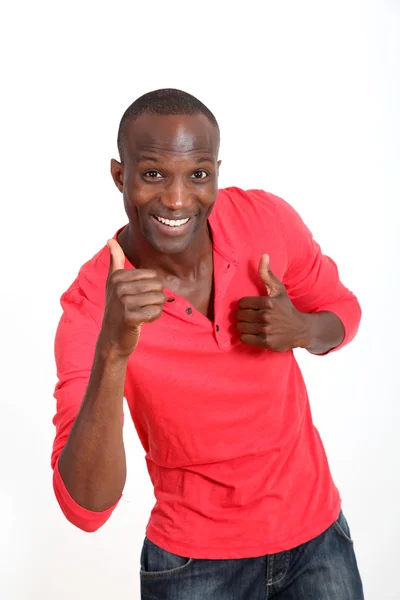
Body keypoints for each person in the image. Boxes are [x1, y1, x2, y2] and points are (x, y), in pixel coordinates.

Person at [51, 88, 364, 599]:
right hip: (195, 568)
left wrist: (302, 329)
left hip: (318, 539)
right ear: (118, 175)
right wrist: (112, 350)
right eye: (153, 174)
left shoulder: (265, 220)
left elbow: (344, 309)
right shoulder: (92, 304)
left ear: (215, 171)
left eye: (198, 174)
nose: (177, 199)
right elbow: (86, 508)